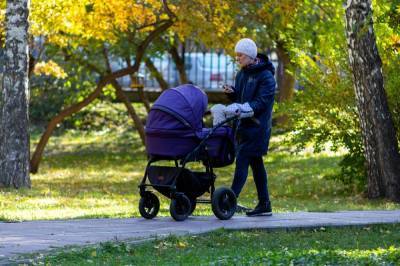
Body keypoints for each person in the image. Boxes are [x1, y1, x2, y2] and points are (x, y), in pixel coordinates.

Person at [223, 38, 276, 216]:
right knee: (256, 164)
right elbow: (241, 100)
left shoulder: (266, 76)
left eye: (240, 55)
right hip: (243, 126)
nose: (237, 58)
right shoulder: (242, 74)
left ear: (251, 56)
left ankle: (228, 201)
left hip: (257, 127)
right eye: (236, 55)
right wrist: (233, 95)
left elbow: (262, 102)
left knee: (243, 160)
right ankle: (265, 204)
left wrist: (244, 108)